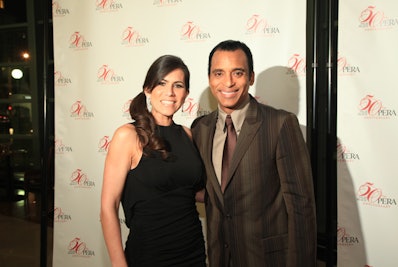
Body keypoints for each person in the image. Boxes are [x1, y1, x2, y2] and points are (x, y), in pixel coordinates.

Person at [191, 40, 317, 267]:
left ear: (250, 77)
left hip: (267, 259)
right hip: (220, 258)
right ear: (210, 78)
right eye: (218, 73)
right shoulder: (200, 128)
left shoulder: (280, 124)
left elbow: (301, 206)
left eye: (237, 73)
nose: (228, 82)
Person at [101, 55, 206, 267]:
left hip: (192, 251)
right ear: (148, 89)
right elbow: (108, 206)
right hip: (150, 253)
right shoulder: (128, 135)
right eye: (162, 83)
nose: (170, 92)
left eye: (178, 85)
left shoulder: (188, 134)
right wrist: (119, 264)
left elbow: (188, 191)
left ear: (186, 94)